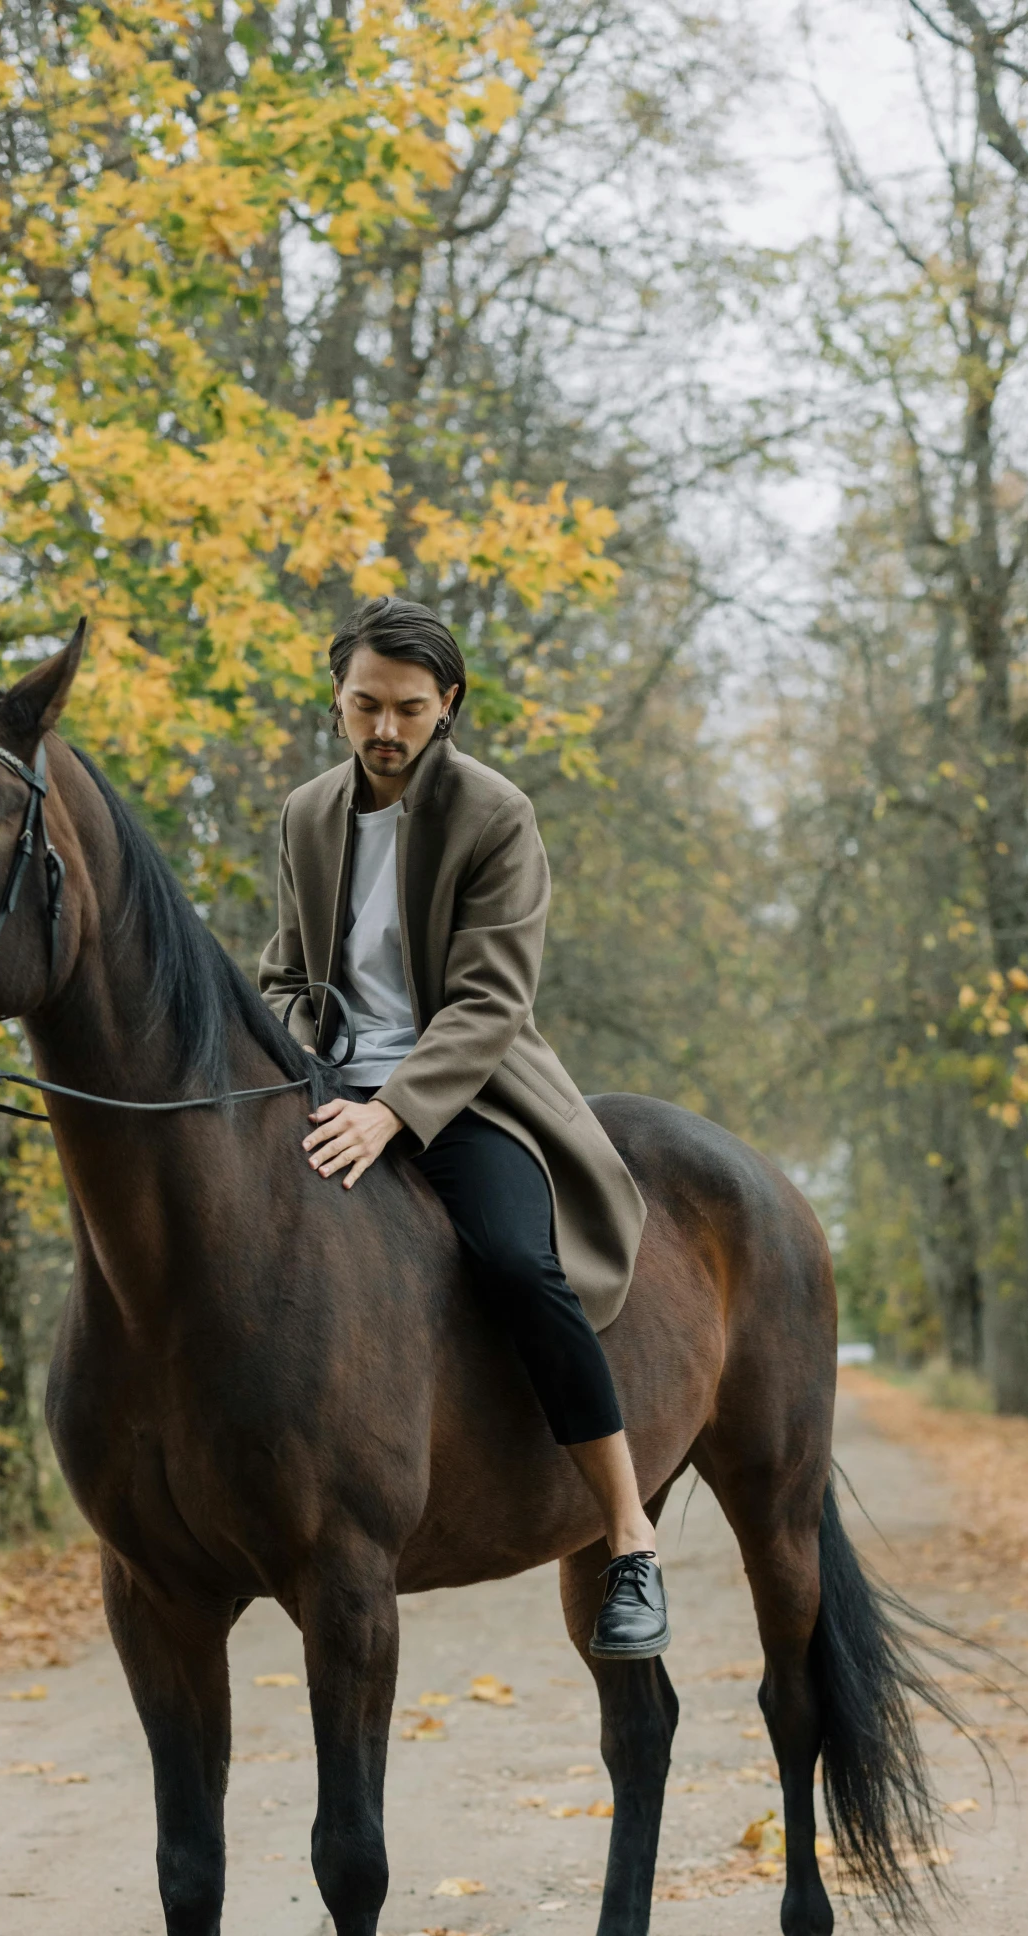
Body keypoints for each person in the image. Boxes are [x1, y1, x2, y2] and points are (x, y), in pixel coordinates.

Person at [258, 596, 668, 1659]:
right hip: (327, 1087)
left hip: (463, 1092)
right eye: (361, 705)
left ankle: (626, 1533)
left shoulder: (496, 813)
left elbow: (489, 1003)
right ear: (337, 699)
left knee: (516, 1262)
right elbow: (285, 972)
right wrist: (313, 1052)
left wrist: (393, 1109)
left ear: (448, 704)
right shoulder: (307, 812)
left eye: (404, 708)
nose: (381, 729)